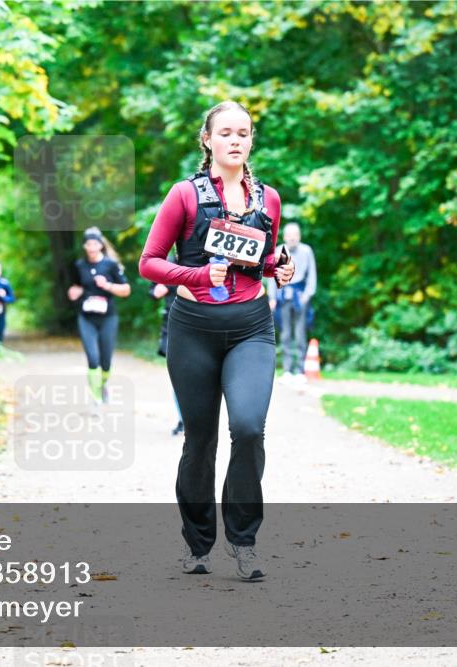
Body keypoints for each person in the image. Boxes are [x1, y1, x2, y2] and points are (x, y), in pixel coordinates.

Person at [138, 100, 295, 580]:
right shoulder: (184, 194)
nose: (235, 140)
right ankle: (198, 545)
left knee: (248, 429)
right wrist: (199, 274)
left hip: (250, 326)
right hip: (194, 328)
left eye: (243, 133)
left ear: (251, 140)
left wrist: (278, 267)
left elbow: (259, 260)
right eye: (225, 132)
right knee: (200, 440)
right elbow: (149, 261)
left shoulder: (267, 199)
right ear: (207, 139)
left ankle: (244, 542)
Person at [67, 227, 131, 404]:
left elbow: (126, 290)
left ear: (100, 245)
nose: (92, 247)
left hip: (108, 318)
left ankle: (102, 385)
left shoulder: (110, 265)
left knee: (106, 363)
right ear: (84, 246)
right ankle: (95, 398)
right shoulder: (79, 265)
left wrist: (107, 285)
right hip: (86, 317)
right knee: (93, 358)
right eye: (88, 244)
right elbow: (76, 286)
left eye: (95, 243)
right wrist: (74, 292)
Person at [266, 223, 317, 384]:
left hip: (300, 296)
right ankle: (287, 369)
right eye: (289, 235)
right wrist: (272, 298)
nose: (292, 237)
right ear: (285, 236)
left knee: (300, 333)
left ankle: (300, 369)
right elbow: (272, 276)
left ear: (299, 236)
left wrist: (307, 295)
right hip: (283, 296)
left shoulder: (306, 251)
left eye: (295, 234)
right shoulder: (279, 251)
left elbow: (312, 275)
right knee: (285, 333)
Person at [149, 253, 184, 436]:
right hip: (172, 323)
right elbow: (152, 290)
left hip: (200, 323)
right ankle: (183, 420)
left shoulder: (203, 258)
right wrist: (157, 290)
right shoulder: (166, 263)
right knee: (178, 376)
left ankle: (196, 419)